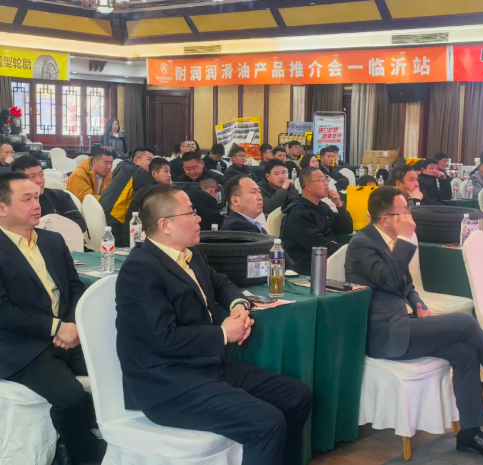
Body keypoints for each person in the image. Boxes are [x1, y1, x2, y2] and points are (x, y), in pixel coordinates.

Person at [345, 186, 483, 461]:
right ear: (385, 219)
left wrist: (419, 305)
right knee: (465, 323)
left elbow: (406, 285)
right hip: (385, 335)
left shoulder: (391, 240)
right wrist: (405, 239)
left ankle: (470, 434)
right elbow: (389, 280)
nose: (409, 216)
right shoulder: (362, 244)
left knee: (465, 352)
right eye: (403, 211)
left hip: (404, 324)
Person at [115, 184, 312, 465]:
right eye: (190, 213)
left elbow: (220, 282)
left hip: (206, 368)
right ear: (165, 225)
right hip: (167, 385)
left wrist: (239, 304)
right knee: (266, 422)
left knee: (297, 396)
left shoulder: (191, 253)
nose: (199, 218)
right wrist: (223, 333)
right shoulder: (141, 269)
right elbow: (163, 338)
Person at [0, 172, 104, 464]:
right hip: (18, 345)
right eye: (27, 199)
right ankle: (82, 455)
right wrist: (55, 327)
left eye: (37, 197)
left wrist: (71, 325)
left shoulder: (51, 240)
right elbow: (3, 309)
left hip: (65, 334)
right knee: (70, 397)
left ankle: (104, 433)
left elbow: (74, 287)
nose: (37, 204)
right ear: (2, 208)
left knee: (118, 369)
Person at [281, 167, 353, 275]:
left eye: (326, 180)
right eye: (322, 180)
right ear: (308, 185)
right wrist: (349, 249)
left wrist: (339, 204)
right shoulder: (298, 213)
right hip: (307, 265)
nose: (326, 184)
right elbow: (318, 245)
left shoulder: (322, 206)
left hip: (327, 258)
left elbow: (346, 229)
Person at [11, 156, 87, 233]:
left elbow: (80, 224)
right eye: (32, 177)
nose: (39, 181)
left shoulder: (60, 196)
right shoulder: (12, 203)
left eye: (41, 174)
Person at [100, 147, 155, 242]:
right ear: (136, 160)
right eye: (149, 160)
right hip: (115, 229)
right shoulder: (139, 173)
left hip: (103, 222)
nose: (153, 164)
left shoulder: (123, 169)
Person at [122, 157, 173, 243]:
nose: (169, 175)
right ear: (154, 174)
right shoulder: (150, 190)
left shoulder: (150, 186)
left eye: (169, 172)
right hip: (135, 236)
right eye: (166, 171)